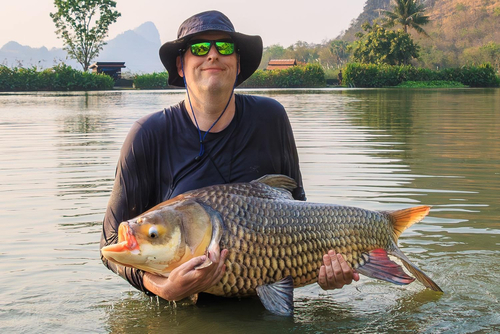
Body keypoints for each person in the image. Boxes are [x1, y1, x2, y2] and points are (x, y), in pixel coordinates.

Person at [100, 10, 359, 303]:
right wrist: (163, 288)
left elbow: (297, 212)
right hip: (184, 312)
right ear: (181, 66)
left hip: (263, 308)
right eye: (199, 48)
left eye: (224, 47)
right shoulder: (148, 135)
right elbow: (109, 245)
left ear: (237, 65)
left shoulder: (270, 118)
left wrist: (320, 268)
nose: (212, 55)